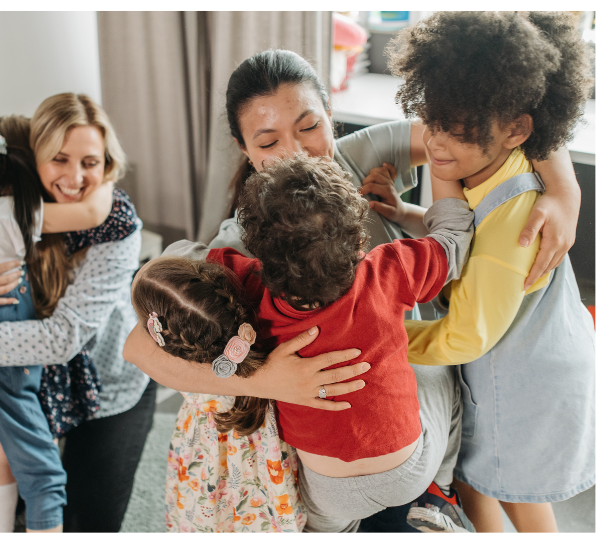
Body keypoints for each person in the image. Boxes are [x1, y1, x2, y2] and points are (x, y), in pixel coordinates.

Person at [122, 49, 583, 531]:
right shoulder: (243, 237)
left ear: (331, 117)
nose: (297, 151)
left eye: (308, 126)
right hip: (336, 448)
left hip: (399, 423)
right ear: (245, 150)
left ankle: (436, 491)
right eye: (268, 140)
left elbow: (487, 116)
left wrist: (563, 187)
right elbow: (139, 347)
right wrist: (262, 381)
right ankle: (435, 490)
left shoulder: (358, 154)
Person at [377, 12, 594, 532]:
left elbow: (464, 337)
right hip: (532, 356)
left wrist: (381, 336)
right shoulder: (500, 168)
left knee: (516, 494)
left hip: (523, 382)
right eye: (431, 119)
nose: (435, 141)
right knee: (474, 480)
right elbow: (467, 233)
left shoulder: (513, 232)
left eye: (459, 129)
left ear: (517, 129)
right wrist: (407, 214)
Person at [0, 93, 156, 532]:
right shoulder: (4, 212)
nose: (75, 177)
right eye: (58, 159)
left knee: (87, 524)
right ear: (34, 160)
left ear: (106, 163)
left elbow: (61, 338)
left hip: (107, 382)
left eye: (90, 162)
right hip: (21, 376)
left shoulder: (114, 222)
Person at [131, 257, 306, 532]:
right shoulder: (264, 349)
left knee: (208, 511)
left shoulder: (182, 369)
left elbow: (131, 350)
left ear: (163, 338)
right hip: (264, 450)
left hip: (201, 448)